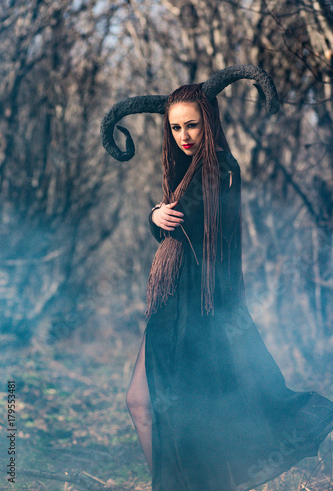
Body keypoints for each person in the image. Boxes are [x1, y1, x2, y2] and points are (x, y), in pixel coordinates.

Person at [122, 83, 333, 491]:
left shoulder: (222, 169)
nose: (183, 136)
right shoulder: (185, 168)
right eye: (175, 128)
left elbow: (191, 229)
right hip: (173, 303)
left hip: (198, 308)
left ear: (210, 122)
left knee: (184, 417)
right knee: (144, 404)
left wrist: (155, 215)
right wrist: (157, 217)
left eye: (193, 126)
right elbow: (176, 232)